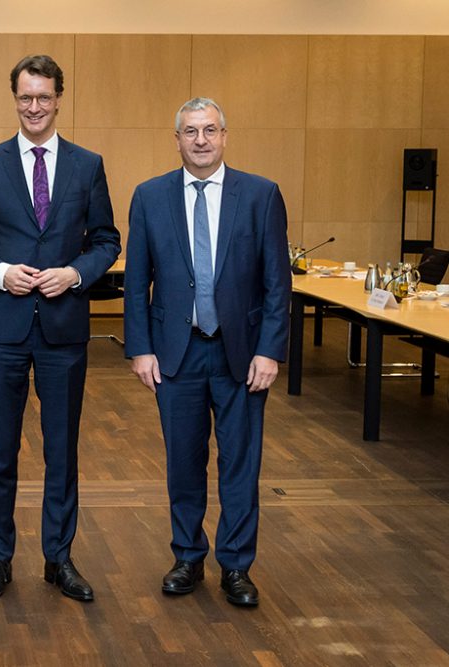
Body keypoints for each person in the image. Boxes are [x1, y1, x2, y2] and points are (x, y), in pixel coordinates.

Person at [0, 55, 120, 603]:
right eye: (25, 97)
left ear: (59, 99)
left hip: (65, 329)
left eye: (44, 97)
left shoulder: (87, 164)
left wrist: (75, 273)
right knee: (0, 451)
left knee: (62, 451)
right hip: (4, 328)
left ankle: (59, 558)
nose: (35, 107)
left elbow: (107, 241)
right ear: (14, 99)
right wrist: (0, 271)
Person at [123, 97, 291, 607]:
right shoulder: (149, 196)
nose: (201, 140)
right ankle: (188, 557)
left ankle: (236, 566)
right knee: (184, 462)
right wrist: (140, 349)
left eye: (210, 130)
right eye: (191, 131)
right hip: (176, 353)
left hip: (241, 354)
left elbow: (276, 282)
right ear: (176, 139)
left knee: (240, 462)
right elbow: (136, 283)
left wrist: (270, 350)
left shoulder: (261, 195)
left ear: (225, 136)